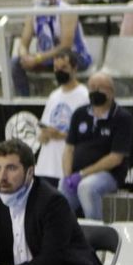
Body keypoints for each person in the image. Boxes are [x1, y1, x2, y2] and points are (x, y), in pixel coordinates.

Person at [61, 72, 131, 220]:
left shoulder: (122, 118)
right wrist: (68, 176)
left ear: (111, 92)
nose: (95, 91)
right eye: (92, 87)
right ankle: (65, 235)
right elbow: (68, 149)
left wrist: (81, 174)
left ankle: (96, 235)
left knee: (87, 187)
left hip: (110, 174)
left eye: (101, 88)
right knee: (61, 189)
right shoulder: (79, 114)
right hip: (77, 173)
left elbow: (115, 158)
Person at [12, 0, 92, 97]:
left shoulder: (67, 11)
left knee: (61, 61)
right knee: (15, 63)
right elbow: (23, 43)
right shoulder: (33, 12)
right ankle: (23, 100)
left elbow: (66, 46)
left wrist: (38, 58)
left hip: (75, 56)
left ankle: (65, 98)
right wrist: (25, 57)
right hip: (45, 58)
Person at [34, 49, 88, 188]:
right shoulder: (54, 95)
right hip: (46, 166)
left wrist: (60, 135)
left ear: (74, 68)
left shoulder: (84, 96)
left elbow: (86, 134)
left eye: (63, 67)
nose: (59, 71)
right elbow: (43, 130)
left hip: (67, 167)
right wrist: (45, 134)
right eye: (56, 68)